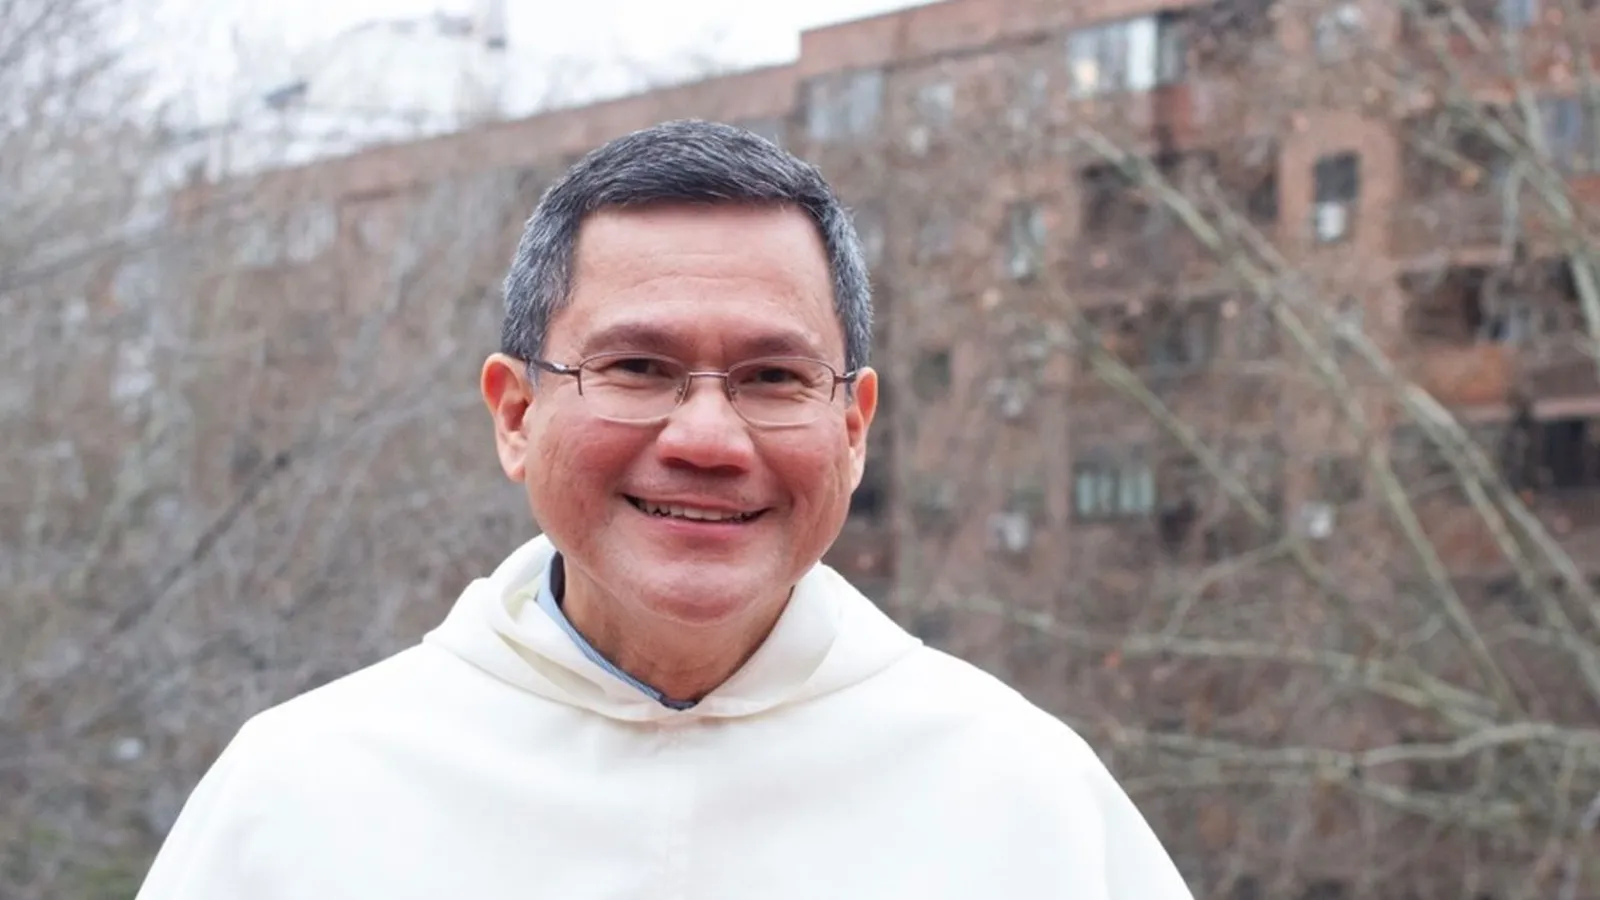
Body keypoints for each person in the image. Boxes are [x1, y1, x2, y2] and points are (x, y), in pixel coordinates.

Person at [136, 119, 1194, 899]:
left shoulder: (1023, 799)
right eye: (638, 368)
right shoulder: (307, 797)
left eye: (773, 378)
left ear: (854, 428)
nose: (707, 440)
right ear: (515, 413)